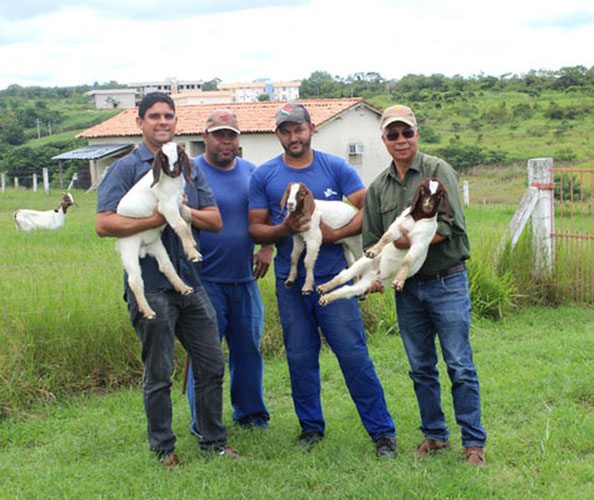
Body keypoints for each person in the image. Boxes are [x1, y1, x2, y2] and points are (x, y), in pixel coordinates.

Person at [95, 92, 238, 468]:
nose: (162, 122)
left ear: (177, 123)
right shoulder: (125, 169)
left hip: (190, 281)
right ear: (139, 122)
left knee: (211, 362)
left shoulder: (188, 167)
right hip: (152, 286)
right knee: (159, 372)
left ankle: (213, 441)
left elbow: (215, 220)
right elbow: (104, 223)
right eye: (154, 116)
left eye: (169, 116)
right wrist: (155, 219)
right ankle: (163, 450)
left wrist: (181, 209)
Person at [248, 102, 397, 457]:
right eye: (286, 130)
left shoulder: (335, 168)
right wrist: (280, 230)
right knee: (300, 358)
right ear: (277, 134)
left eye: (298, 129)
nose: (293, 136)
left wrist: (336, 235)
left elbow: (368, 208)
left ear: (311, 128)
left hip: (336, 282)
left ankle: (382, 433)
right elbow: (255, 226)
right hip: (291, 283)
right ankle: (311, 428)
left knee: (353, 355)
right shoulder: (265, 175)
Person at [361, 104, 487, 467]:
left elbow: (451, 228)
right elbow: (372, 240)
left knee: (459, 364)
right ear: (384, 139)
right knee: (420, 367)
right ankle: (435, 435)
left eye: (407, 132)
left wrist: (406, 243)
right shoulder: (378, 188)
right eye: (392, 134)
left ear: (417, 134)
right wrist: (374, 278)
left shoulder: (437, 171)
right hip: (407, 289)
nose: (400, 140)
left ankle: (473, 442)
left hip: (446, 281)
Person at [185, 109, 273, 432]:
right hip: (203, 280)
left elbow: (268, 217)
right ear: (205, 137)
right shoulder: (188, 171)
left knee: (248, 350)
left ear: (239, 139)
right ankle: (204, 422)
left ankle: (251, 414)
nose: (226, 141)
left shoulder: (253, 173)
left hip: (245, 279)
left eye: (231, 135)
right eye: (219, 134)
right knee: (206, 355)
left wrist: (267, 247)